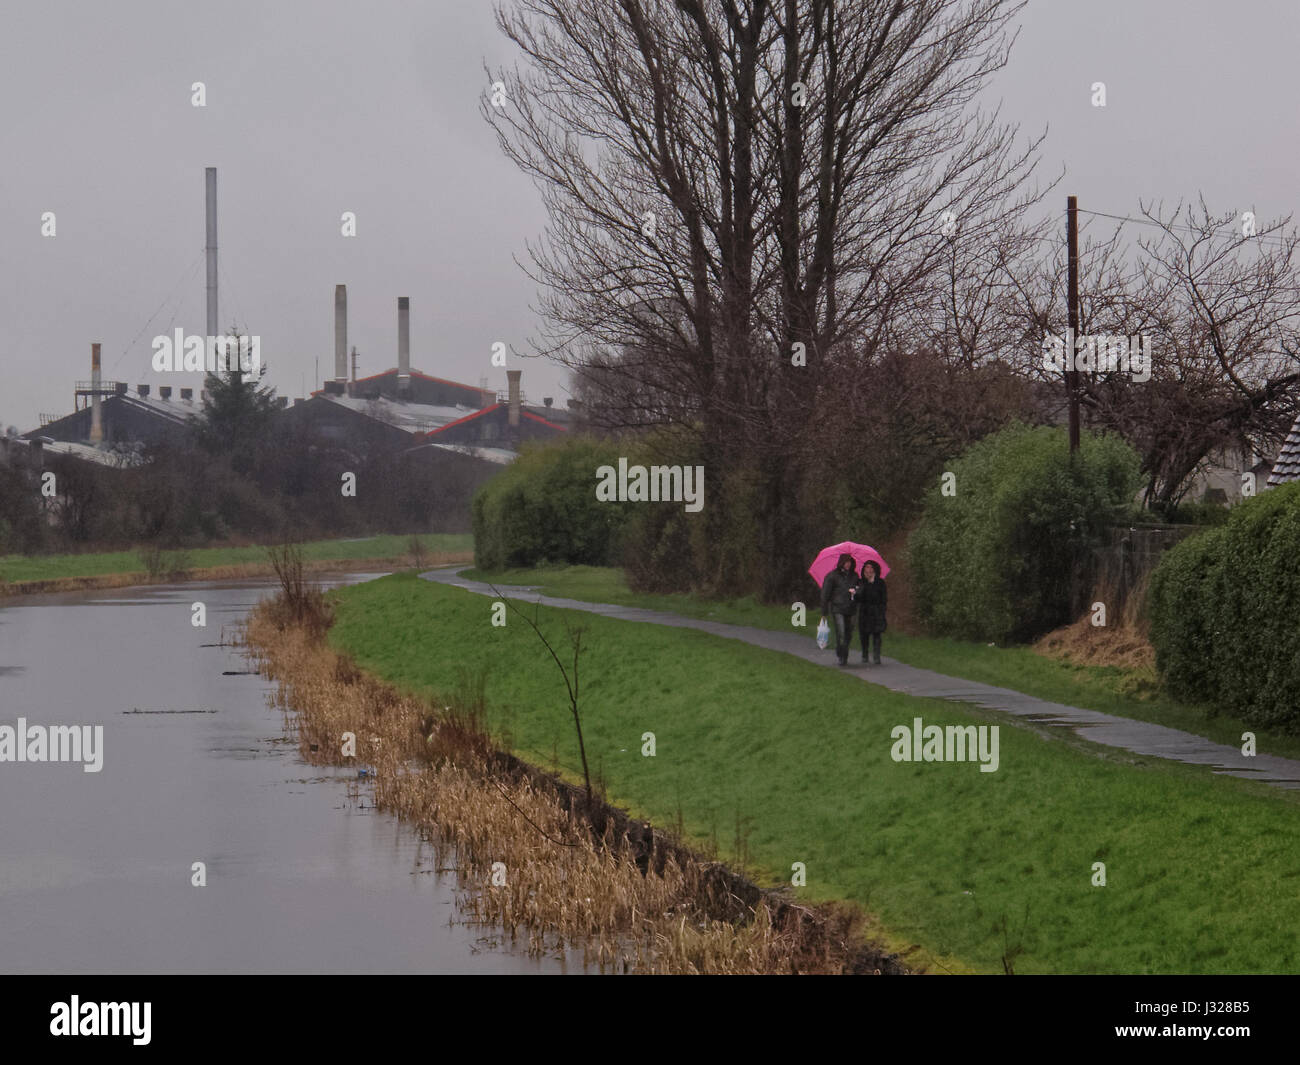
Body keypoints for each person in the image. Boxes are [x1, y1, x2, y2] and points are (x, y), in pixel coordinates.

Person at [820, 553, 858, 666]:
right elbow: (825, 594)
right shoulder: (832, 576)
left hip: (851, 608)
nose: (848, 564)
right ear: (841, 562)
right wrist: (824, 611)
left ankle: (842, 650)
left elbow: (860, 588)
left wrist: (856, 590)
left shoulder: (855, 576)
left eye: (850, 562)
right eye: (846, 562)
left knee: (849, 633)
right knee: (841, 632)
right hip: (838, 608)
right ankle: (843, 656)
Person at [856, 559, 887, 665]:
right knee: (864, 635)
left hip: (877, 612)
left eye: (871, 568)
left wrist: (882, 611)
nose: (868, 570)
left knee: (877, 635)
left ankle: (876, 655)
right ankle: (865, 654)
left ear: (875, 570)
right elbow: (858, 598)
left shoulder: (880, 583)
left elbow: (883, 599)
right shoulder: (860, 582)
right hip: (864, 613)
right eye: (866, 568)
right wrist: (856, 592)